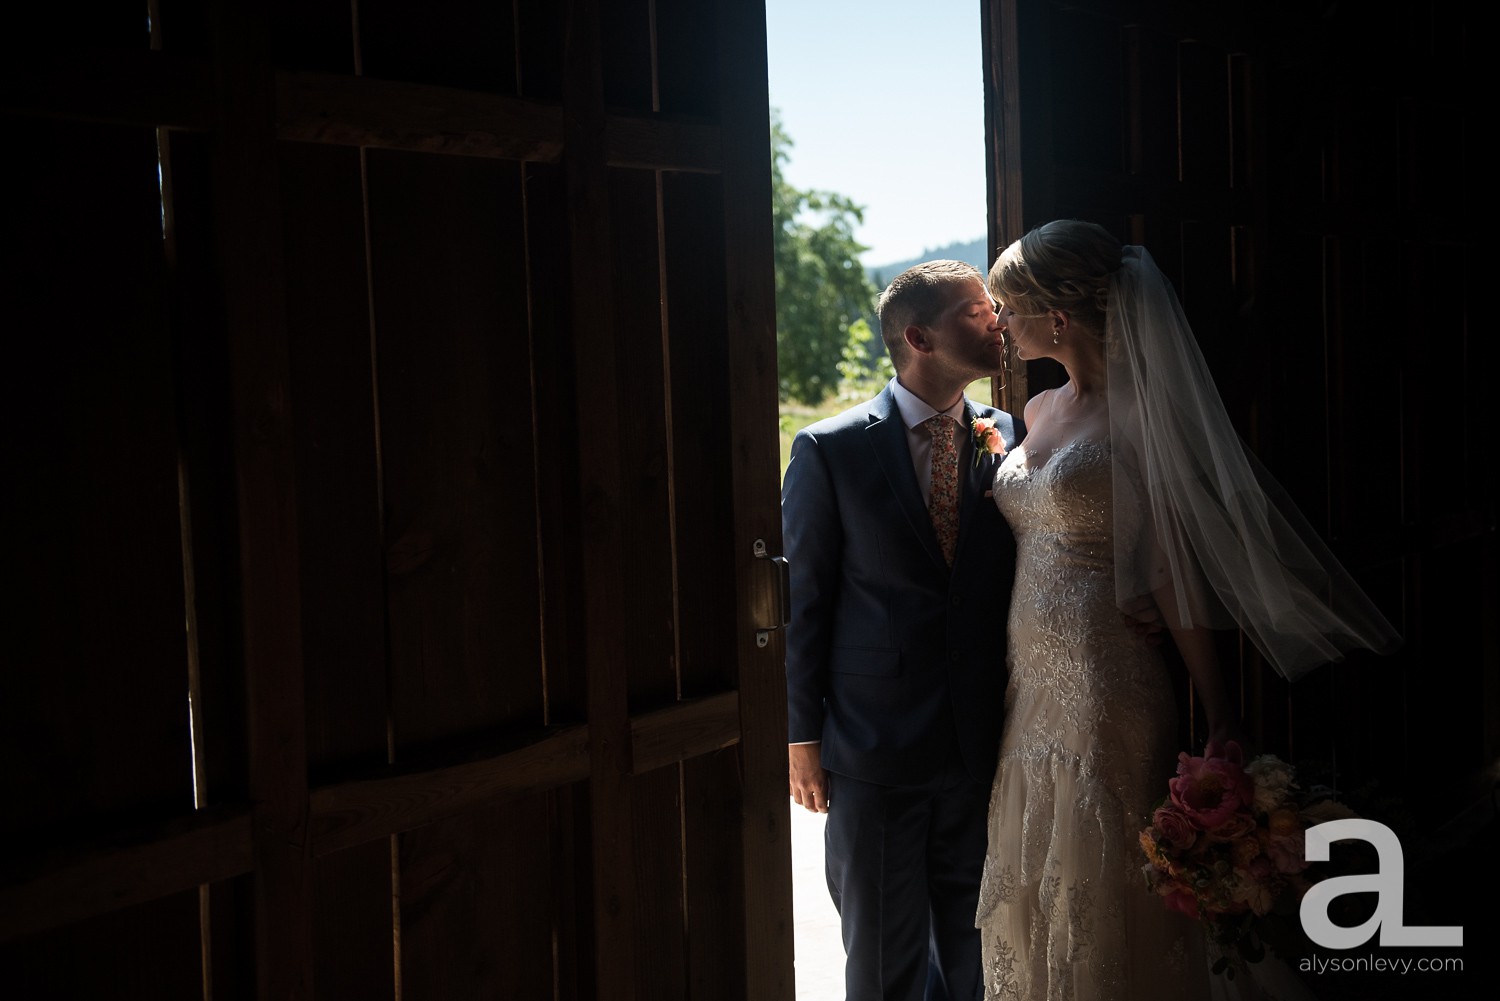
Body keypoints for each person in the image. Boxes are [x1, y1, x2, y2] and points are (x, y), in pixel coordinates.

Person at [974, 220, 1399, 1000]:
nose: (1001, 323)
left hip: (1109, 677)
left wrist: (1220, 709)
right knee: (1038, 854)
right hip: (1026, 678)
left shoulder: (1141, 417)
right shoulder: (1033, 412)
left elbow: (1169, 568)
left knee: (1103, 865)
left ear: (1058, 315)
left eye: (1008, 305)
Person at [783, 260, 1025, 1000]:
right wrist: (801, 738)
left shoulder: (1007, 434)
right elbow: (804, 601)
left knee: (978, 960)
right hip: (876, 749)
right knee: (886, 967)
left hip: (984, 742)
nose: (998, 323)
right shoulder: (830, 448)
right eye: (976, 312)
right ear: (918, 336)